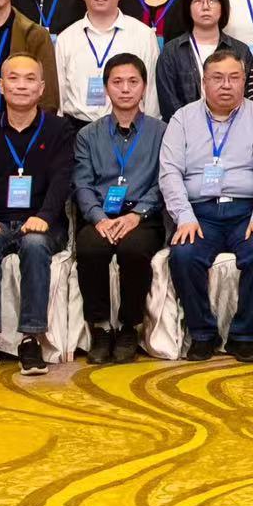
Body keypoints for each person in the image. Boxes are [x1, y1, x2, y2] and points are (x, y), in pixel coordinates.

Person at [158, 49, 253, 362]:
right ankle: (203, 334)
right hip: (200, 213)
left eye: (234, 78)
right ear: (204, 82)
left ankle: (243, 335)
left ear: (244, 81)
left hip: (246, 212)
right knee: (184, 254)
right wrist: (184, 217)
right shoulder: (183, 118)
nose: (226, 85)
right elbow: (169, 173)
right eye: (217, 78)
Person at [0, 53, 76, 376]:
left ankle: (30, 339)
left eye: (29, 79)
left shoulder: (59, 129)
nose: (21, 85)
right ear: (1, 86)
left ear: (41, 88)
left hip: (42, 221)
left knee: (35, 244)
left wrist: (45, 215)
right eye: (13, 78)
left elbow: (63, 179)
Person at [70, 54, 167, 363]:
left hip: (142, 216)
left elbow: (164, 181)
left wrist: (137, 215)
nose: (125, 89)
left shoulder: (162, 132)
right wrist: (98, 218)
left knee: (134, 250)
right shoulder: (88, 135)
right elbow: (82, 183)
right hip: (101, 215)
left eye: (133, 82)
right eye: (117, 82)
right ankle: (100, 328)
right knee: (90, 248)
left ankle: (129, 327)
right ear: (106, 88)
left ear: (144, 87)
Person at [60, 0, 161, 124]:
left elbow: (152, 94)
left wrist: (149, 131)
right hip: (76, 127)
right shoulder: (66, 38)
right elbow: (59, 94)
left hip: (130, 127)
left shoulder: (143, 35)